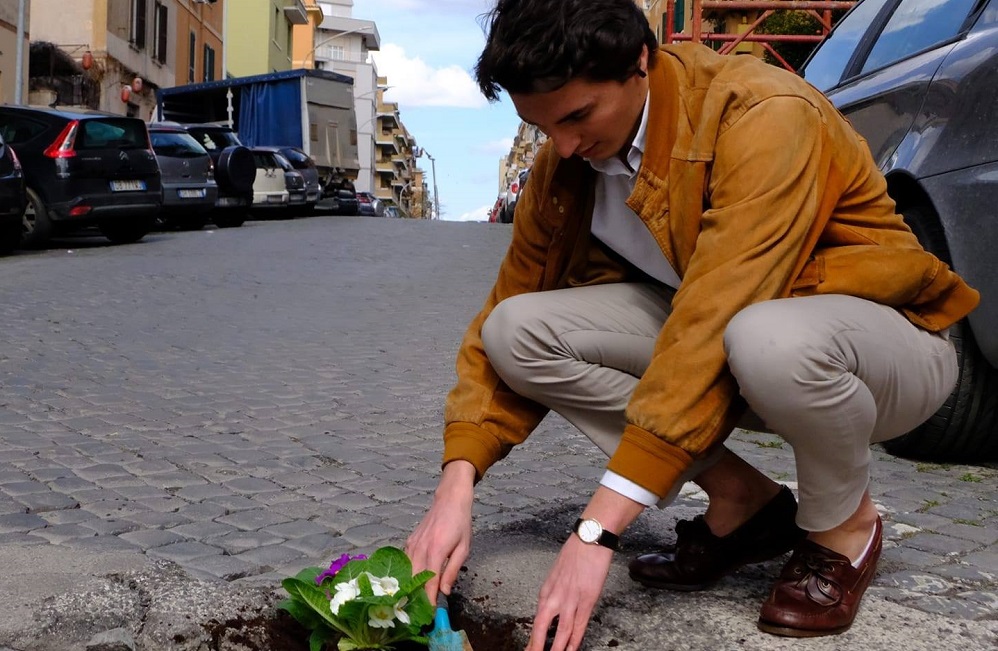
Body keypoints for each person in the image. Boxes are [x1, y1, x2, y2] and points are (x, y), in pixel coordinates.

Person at [405, 0, 979, 648]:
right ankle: (745, 506)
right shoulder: (565, 168)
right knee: (516, 331)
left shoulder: (762, 113)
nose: (563, 147)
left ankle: (844, 527)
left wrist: (596, 529)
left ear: (639, 61)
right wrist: (456, 486)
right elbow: (502, 317)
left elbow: (713, 316)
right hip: (735, 351)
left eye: (576, 117)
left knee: (764, 337)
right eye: (541, 128)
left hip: (887, 351)